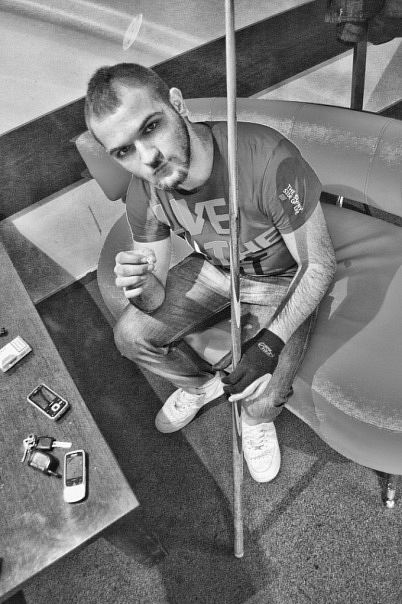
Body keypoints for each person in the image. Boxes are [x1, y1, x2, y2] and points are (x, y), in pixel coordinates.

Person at [84, 63, 337, 483]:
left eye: (151, 127)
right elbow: (154, 298)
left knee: (264, 398)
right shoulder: (144, 192)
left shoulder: (266, 158)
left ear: (178, 105)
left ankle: (256, 422)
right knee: (130, 336)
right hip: (216, 270)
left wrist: (268, 347)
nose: (148, 158)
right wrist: (141, 288)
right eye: (124, 151)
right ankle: (201, 385)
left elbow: (319, 265)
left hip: (283, 279)